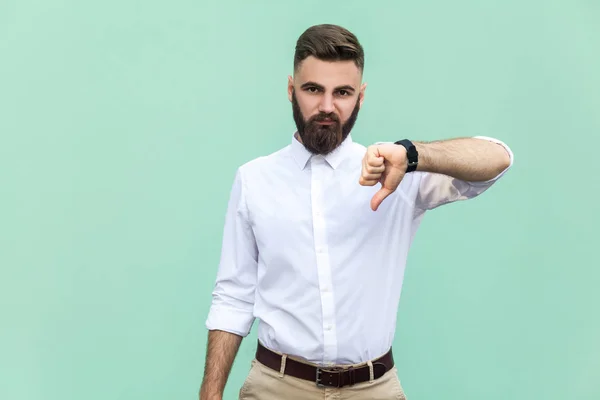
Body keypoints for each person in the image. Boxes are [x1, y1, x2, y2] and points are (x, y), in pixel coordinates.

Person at [199, 24, 513, 400]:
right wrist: (210, 393)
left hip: (373, 389)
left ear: (360, 97)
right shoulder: (254, 179)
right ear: (290, 89)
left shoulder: (395, 171)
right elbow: (233, 296)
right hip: (276, 387)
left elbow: (498, 158)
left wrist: (413, 155)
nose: (327, 106)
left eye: (343, 92)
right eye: (313, 89)